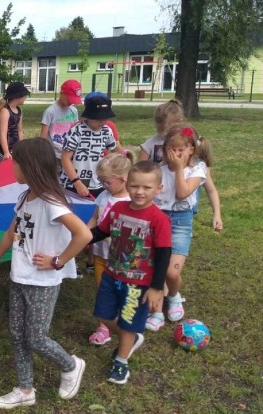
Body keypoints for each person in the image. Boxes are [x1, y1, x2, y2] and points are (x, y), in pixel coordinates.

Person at [0, 138, 90, 410]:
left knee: (36, 338)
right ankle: (25, 389)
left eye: (16, 163)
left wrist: (58, 261)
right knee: (18, 335)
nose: (12, 167)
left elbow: (84, 234)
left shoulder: (51, 202)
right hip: (19, 276)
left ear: (29, 167)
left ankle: (70, 365)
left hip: (42, 282)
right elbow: (13, 231)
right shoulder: (25, 197)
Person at [89, 160, 172, 384]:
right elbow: (99, 232)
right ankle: (132, 338)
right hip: (111, 274)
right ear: (128, 184)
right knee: (102, 315)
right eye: (135, 186)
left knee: (128, 322)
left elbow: (164, 254)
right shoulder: (117, 209)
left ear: (158, 189)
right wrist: (77, 236)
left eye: (147, 187)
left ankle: (121, 362)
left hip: (139, 283)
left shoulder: (159, 219)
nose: (139, 192)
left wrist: (156, 287)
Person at [146, 125, 211, 331]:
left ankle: (173, 296)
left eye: (181, 149)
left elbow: (182, 194)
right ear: (164, 150)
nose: (176, 154)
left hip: (181, 222)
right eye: (171, 149)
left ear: (191, 149)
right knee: (155, 269)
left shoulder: (197, 169)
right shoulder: (158, 170)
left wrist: (180, 168)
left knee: (172, 273)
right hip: (158, 221)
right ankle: (156, 311)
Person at [140, 100, 222, 232]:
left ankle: (183, 226)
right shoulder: (151, 144)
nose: (163, 135)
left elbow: (209, 186)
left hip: (184, 193)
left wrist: (217, 213)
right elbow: (139, 170)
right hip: (161, 194)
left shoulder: (190, 142)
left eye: (166, 131)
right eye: (159, 130)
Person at [85, 152, 135, 346]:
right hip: (100, 255)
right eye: (101, 181)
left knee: (124, 292)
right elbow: (94, 220)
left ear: (123, 179)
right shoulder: (103, 196)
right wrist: (86, 238)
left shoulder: (132, 200)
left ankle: (127, 323)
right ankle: (103, 327)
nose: (103, 185)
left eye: (106, 181)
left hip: (123, 259)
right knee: (101, 291)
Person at [60, 93, 120, 198]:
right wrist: (77, 183)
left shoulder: (106, 130)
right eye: (98, 118)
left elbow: (115, 149)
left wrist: (125, 156)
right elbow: (65, 159)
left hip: (98, 182)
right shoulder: (76, 131)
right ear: (88, 116)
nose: (102, 122)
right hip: (73, 183)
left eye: (105, 118)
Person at [40, 79, 82, 159]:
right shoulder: (50, 111)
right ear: (62, 93)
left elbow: (75, 131)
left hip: (69, 153)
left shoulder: (73, 111)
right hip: (53, 155)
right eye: (69, 99)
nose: (71, 102)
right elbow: (43, 136)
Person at [0, 82, 28, 165]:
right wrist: (6, 152)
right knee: (2, 176)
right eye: (24, 95)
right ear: (18, 96)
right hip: (3, 151)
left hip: (15, 150)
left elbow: (20, 130)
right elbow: (3, 134)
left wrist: (21, 147)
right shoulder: (5, 111)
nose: (26, 97)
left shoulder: (19, 110)